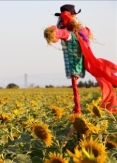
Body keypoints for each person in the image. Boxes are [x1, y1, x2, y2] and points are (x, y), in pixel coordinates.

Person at [44, 4, 117, 147]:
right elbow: (81, 33)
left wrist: (53, 32)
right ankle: (79, 134)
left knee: (77, 103)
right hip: (76, 67)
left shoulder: (71, 34)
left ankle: (78, 138)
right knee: (78, 97)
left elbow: (61, 34)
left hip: (75, 68)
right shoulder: (78, 33)